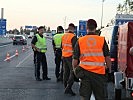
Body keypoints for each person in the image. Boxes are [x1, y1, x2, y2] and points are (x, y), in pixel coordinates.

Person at [72, 19, 111, 100]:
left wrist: (74, 71)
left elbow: (75, 60)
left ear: (87, 28)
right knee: (101, 97)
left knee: (85, 96)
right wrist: (109, 70)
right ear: (96, 27)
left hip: (85, 74)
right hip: (99, 74)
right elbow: (107, 57)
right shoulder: (101, 40)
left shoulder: (80, 40)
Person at [62, 23, 77, 96]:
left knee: (66, 72)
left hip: (64, 55)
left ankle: (66, 86)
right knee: (73, 72)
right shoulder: (73, 37)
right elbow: (75, 48)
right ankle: (68, 87)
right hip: (71, 56)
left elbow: (62, 45)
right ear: (73, 29)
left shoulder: (64, 35)